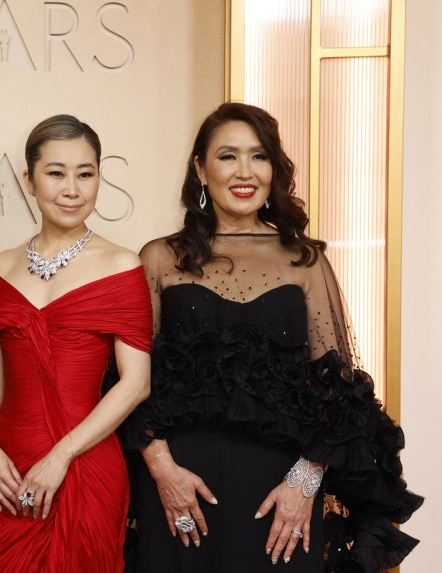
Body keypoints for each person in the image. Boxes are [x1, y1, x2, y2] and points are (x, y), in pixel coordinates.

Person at [124, 102, 422, 572]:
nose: (244, 171)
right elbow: (130, 380)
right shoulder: (160, 258)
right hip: (179, 490)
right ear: (200, 168)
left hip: (282, 494)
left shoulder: (305, 261)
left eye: (258, 156)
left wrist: (304, 483)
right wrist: (163, 472)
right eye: (227, 156)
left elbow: (339, 393)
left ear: (273, 169)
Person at [0, 115, 152, 572]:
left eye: (85, 174)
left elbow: (136, 383)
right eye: (56, 173)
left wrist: (61, 456)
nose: (72, 189)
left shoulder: (121, 265)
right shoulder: (0, 268)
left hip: (84, 459)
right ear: (29, 180)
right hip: (6, 467)